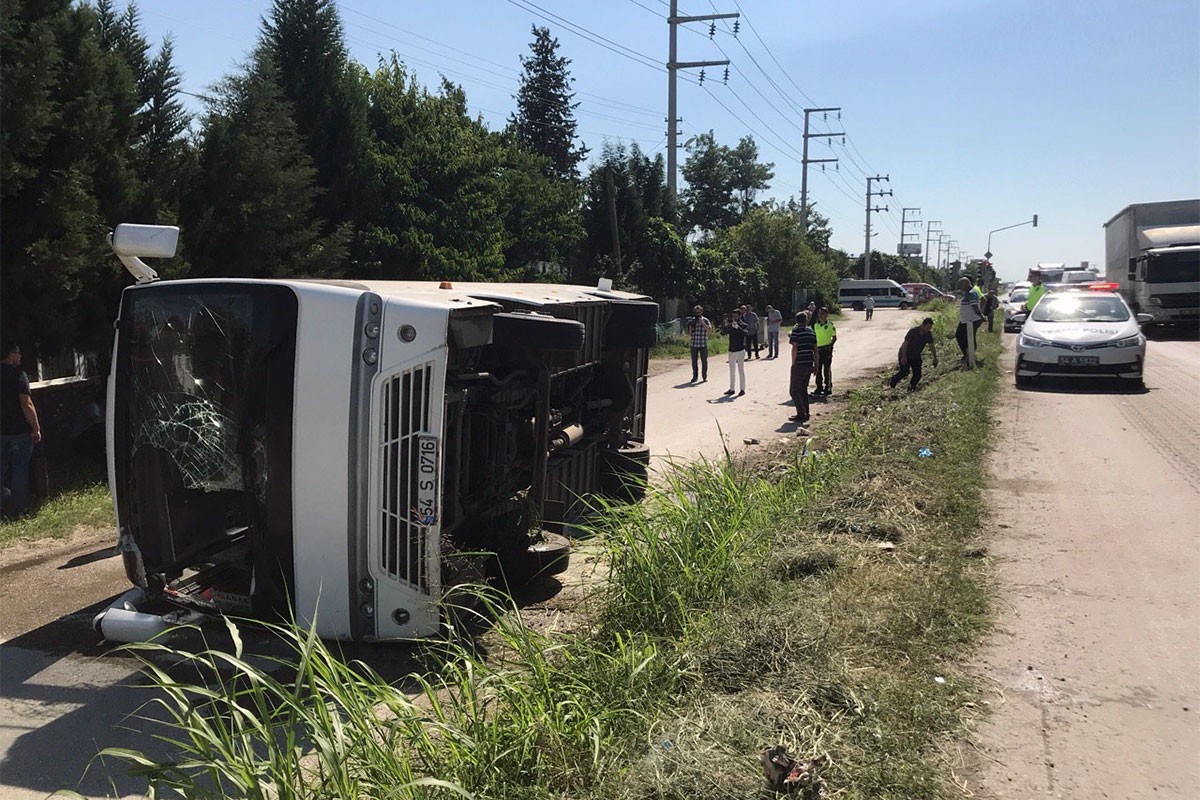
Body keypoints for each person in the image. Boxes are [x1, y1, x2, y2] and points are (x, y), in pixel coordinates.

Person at [1, 343, 42, 518]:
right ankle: (18, 510)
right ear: (10, 355)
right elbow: (26, 404)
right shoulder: (19, 375)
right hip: (19, 431)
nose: (20, 356)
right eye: (18, 353)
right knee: (19, 470)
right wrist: (36, 428)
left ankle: (3, 503)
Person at [890, 317, 940, 391]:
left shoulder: (928, 334)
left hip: (916, 355)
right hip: (905, 353)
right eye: (927, 327)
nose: (928, 329)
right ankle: (893, 381)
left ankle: (911, 388)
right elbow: (905, 344)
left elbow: (932, 347)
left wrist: (935, 358)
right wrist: (903, 357)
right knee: (904, 372)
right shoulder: (913, 331)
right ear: (923, 325)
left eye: (930, 328)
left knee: (917, 374)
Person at [788, 311, 818, 424]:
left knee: (794, 391)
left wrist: (793, 363)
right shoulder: (812, 332)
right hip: (809, 363)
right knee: (803, 389)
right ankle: (806, 412)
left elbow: (794, 348)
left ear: (796, 321)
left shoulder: (796, 332)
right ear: (806, 320)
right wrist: (816, 365)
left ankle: (801, 414)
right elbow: (815, 350)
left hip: (799, 363)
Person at [955, 276, 984, 364]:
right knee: (960, 336)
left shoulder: (971, 293)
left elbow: (974, 306)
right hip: (966, 320)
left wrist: (981, 315)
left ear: (966, 284)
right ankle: (967, 355)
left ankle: (970, 357)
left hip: (971, 320)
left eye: (961, 285)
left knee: (968, 338)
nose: (960, 287)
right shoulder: (969, 293)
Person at [813, 307, 837, 396]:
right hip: (818, 349)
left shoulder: (830, 325)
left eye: (822, 314)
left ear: (826, 315)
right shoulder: (816, 325)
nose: (820, 316)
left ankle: (828, 386)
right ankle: (819, 387)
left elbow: (834, 337)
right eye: (819, 314)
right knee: (818, 368)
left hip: (826, 349)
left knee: (826, 369)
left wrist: (830, 346)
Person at [723, 311, 749, 396]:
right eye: (733, 316)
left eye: (736, 316)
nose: (734, 317)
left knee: (740, 370)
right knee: (732, 370)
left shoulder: (743, 325)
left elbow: (745, 334)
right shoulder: (731, 325)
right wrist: (725, 326)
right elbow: (723, 333)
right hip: (731, 350)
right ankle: (732, 388)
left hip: (740, 350)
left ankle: (742, 389)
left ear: (740, 316)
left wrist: (738, 327)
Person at [687, 304, 713, 383]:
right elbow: (690, 333)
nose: (697, 314)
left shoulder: (705, 320)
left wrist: (702, 322)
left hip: (703, 344)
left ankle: (704, 376)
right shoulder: (692, 320)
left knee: (704, 361)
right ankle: (695, 376)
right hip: (694, 344)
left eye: (699, 312)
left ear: (701, 312)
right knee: (694, 361)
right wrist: (691, 325)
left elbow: (709, 330)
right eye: (696, 312)